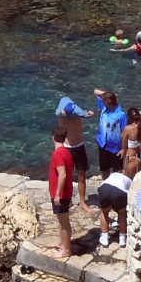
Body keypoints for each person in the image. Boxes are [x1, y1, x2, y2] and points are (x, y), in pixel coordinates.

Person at [55, 95, 96, 214]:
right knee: (66, 176)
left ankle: (83, 202)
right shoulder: (61, 116)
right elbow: (87, 114)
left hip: (79, 146)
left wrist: (85, 112)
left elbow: (87, 114)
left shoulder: (76, 113)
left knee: (81, 175)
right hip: (67, 148)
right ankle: (68, 200)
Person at [97, 147, 141, 248]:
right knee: (122, 214)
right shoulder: (130, 182)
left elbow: (103, 184)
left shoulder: (114, 174)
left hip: (105, 188)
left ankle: (104, 237)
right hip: (119, 192)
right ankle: (122, 238)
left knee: (104, 212)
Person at [47, 124, 75, 258]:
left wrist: (57, 194)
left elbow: (62, 174)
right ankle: (63, 244)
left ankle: (66, 250)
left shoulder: (57, 154)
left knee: (64, 223)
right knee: (62, 221)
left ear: (53, 138)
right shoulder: (66, 152)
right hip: (67, 192)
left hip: (61, 194)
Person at [92, 88, 128, 176]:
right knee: (104, 169)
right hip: (103, 145)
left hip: (115, 148)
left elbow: (124, 133)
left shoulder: (121, 115)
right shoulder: (104, 108)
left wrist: (123, 149)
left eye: (104, 101)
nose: (102, 102)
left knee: (117, 171)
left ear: (109, 104)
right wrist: (108, 94)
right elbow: (95, 92)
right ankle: (105, 184)